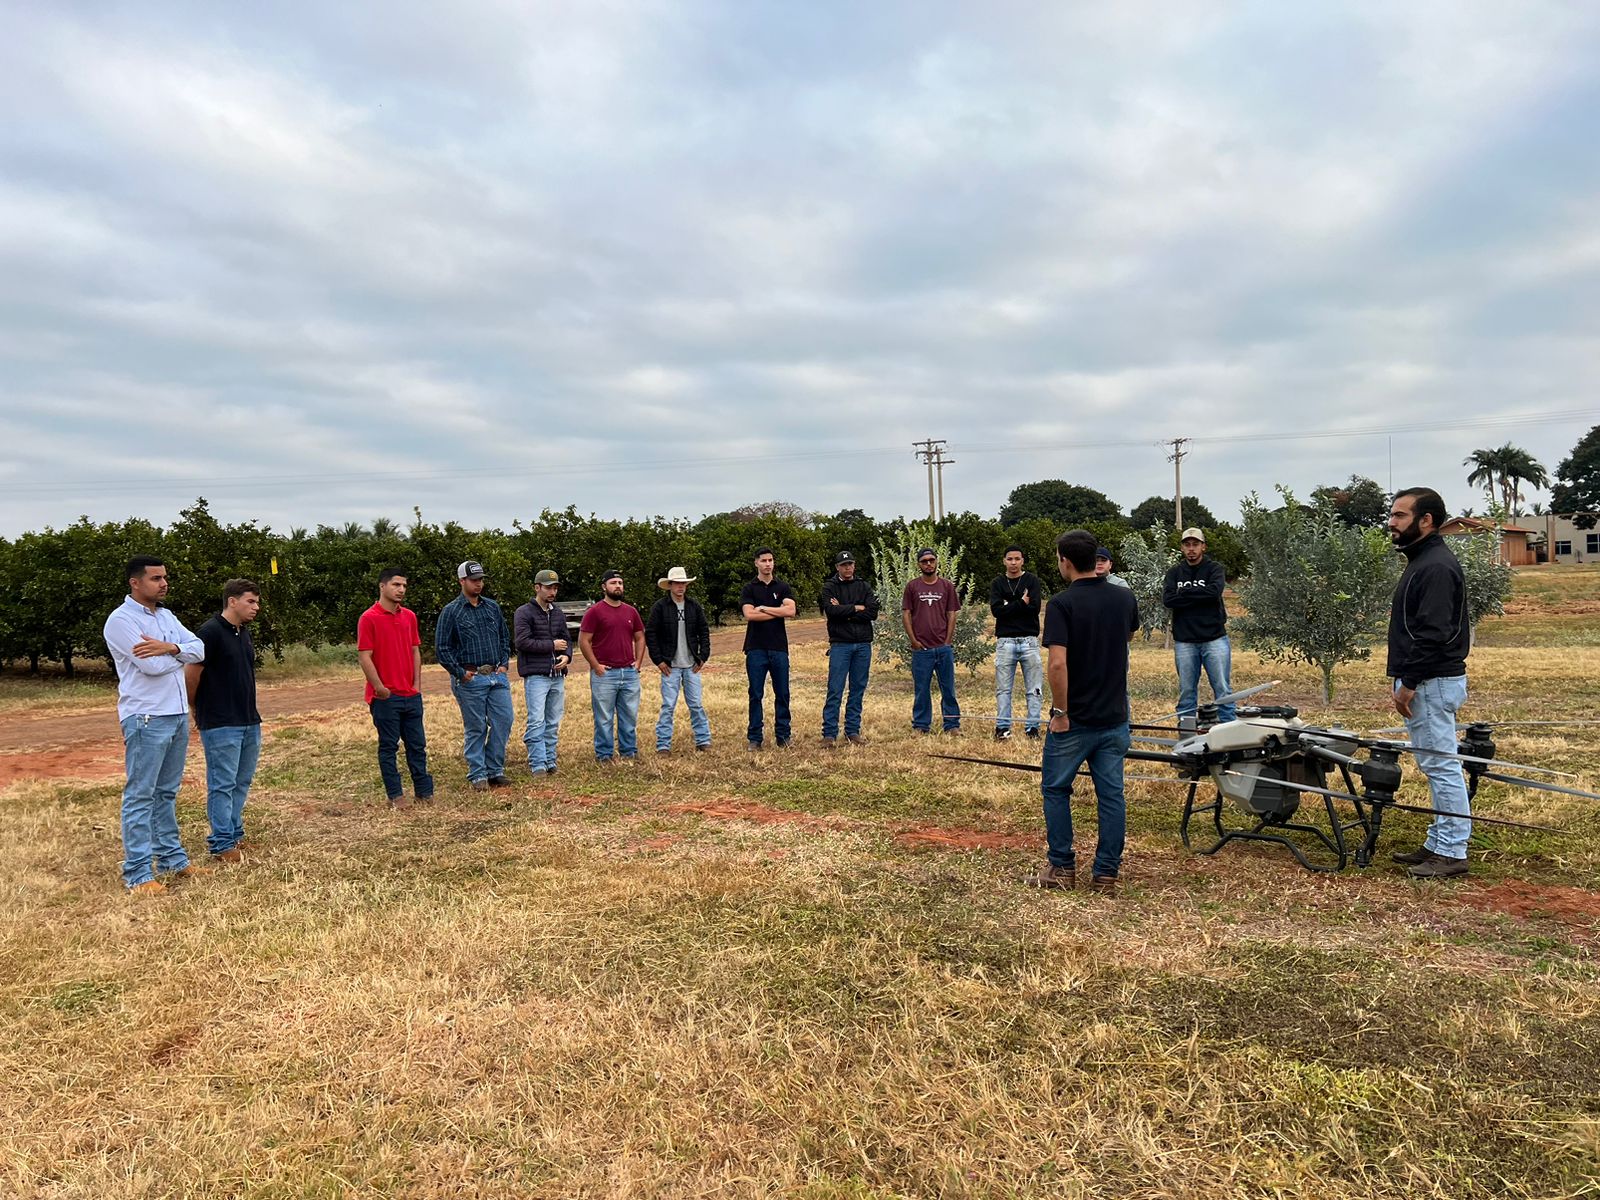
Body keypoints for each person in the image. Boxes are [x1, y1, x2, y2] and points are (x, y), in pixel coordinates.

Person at [1030, 529, 1140, 895]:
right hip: (1114, 716)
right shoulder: (1124, 599)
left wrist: (1060, 712)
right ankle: (1106, 875)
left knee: (1056, 789)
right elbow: (1125, 639)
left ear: (1064, 559)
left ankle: (1062, 868)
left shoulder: (1062, 604)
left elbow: (1058, 665)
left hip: (1074, 720)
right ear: (1095, 559)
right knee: (1112, 796)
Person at [104, 555, 208, 895]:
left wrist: (171, 647)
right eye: (155, 578)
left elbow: (200, 649)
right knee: (141, 795)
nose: (163, 583)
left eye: (164, 577)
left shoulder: (165, 616)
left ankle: (172, 860)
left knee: (165, 792)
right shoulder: (121, 621)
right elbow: (149, 667)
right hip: (146, 717)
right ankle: (137, 872)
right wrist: (179, 654)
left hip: (176, 714)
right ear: (135, 582)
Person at [1385, 487, 1473, 879]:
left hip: (1431, 681)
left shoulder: (1435, 566)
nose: (1392, 522)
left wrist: (1411, 681)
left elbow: (1434, 632)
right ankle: (1439, 842)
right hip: (1427, 680)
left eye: (1400, 515)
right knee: (1435, 763)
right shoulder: (1424, 560)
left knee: (1442, 765)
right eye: (1392, 514)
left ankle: (1452, 851)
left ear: (1426, 521)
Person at [185, 578, 263, 864]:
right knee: (222, 783)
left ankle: (235, 834)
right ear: (232, 601)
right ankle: (221, 843)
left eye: (257, 602)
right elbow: (192, 672)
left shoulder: (242, 632)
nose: (256, 607)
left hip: (248, 719)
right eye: (250, 601)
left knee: (241, 781)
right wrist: (196, 707)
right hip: (220, 722)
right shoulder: (210, 632)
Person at [358, 567, 435, 808]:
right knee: (389, 746)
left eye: (404, 585)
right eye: (396, 585)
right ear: (383, 586)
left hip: (410, 695)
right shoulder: (368, 618)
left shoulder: (409, 616)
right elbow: (365, 656)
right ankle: (395, 795)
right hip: (385, 698)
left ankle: (424, 792)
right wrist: (379, 688)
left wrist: (416, 685)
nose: (401, 590)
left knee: (417, 745)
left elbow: (415, 650)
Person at [435, 560, 514, 792]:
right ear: (461, 581)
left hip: (496, 675)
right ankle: (478, 773)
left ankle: (495, 770)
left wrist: (503, 662)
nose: (478, 584)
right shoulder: (451, 611)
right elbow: (442, 648)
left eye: (481, 579)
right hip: (471, 677)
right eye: (473, 580)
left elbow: (503, 636)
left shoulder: (492, 607)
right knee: (476, 726)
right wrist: (460, 673)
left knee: (504, 721)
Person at [1162, 527, 1234, 724]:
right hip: (1185, 640)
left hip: (1214, 638)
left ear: (1203, 546)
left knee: (1222, 687)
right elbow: (1168, 600)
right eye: (1187, 544)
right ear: (1182, 548)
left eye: (1195, 544)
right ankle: (1186, 730)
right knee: (1187, 690)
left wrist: (1183, 594)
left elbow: (1214, 593)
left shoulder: (1214, 569)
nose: (1191, 549)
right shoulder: (1174, 572)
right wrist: (1199, 595)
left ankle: (1228, 729)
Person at [578, 570, 646, 764]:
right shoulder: (595, 612)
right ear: (604, 587)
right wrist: (595, 665)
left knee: (629, 716)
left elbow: (640, 636)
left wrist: (638, 662)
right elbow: (584, 641)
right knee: (604, 718)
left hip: (629, 672)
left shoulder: (630, 611)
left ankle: (629, 751)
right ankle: (604, 755)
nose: (618, 586)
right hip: (605, 674)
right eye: (613, 583)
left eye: (620, 583)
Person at [646, 566, 713, 753]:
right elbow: (651, 634)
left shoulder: (694, 607)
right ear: (670, 586)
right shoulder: (660, 607)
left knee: (696, 704)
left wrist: (703, 656)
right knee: (668, 705)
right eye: (677, 583)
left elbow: (704, 632)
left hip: (691, 664)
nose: (680, 587)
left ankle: (703, 740)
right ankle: (663, 744)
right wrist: (658, 660)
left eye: (683, 583)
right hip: (670, 665)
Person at [513, 569, 570, 777]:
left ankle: (550, 760)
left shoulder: (557, 612)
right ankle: (538, 763)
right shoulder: (524, 612)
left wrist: (567, 657)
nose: (552, 591)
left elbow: (566, 640)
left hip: (557, 675)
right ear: (537, 588)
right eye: (548, 587)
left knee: (553, 720)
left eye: (555, 587)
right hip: (536, 674)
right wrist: (552, 645)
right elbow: (521, 642)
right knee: (537, 720)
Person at [819, 550, 879, 746]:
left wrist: (845, 609)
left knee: (857, 688)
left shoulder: (863, 585)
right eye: (843, 565)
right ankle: (829, 733)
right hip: (840, 644)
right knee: (835, 689)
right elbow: (831, 611)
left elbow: (872, 612)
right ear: (837, 567)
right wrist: (856, 607)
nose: (847, 568)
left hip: (863, 644)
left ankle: (852, 731)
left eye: (850, 564)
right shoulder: (829, 587)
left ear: (854, 566)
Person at [741, 548, 797, 749]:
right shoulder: (749, 589)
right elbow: (750, 615)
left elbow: (791, 611)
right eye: (763, 560)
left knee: (782, 693)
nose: (768, 564)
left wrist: (764, 608)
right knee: (756, 693)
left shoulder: (782, 587)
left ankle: (783, 736)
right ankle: (755, 738)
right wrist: (777, 612)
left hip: (778, 648)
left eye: (771, 560)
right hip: (756, 648)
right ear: (756, 563)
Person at [902, 547, 962, 734]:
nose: (928, 564)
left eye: (931, 560)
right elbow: (906, 614)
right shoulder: (912, 586)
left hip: (943, 648)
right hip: (922, 649)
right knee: (921, 690)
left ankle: (952, 725)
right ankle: (921, 725)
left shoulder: (946, 586)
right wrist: (913, 640)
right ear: (918, 564)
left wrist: (947, 641)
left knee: (948, 689)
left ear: (936, 562)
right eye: (924, 561)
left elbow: (952, 613)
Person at [989, 545, 1043, 741]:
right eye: (1010, 559)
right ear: (1004, 560)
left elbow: (1034, 608)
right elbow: (996, 611)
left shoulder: (1032, 580)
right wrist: (1021, 602)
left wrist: (1008, 605)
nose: (1013, 563)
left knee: (1034, 688)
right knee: (1003, 688)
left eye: (1017, 559)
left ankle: (1033, 728)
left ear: (1022, 561)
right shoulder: (997, 583)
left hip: (1029, 640)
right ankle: (1003, 728)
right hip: (1005, 641)